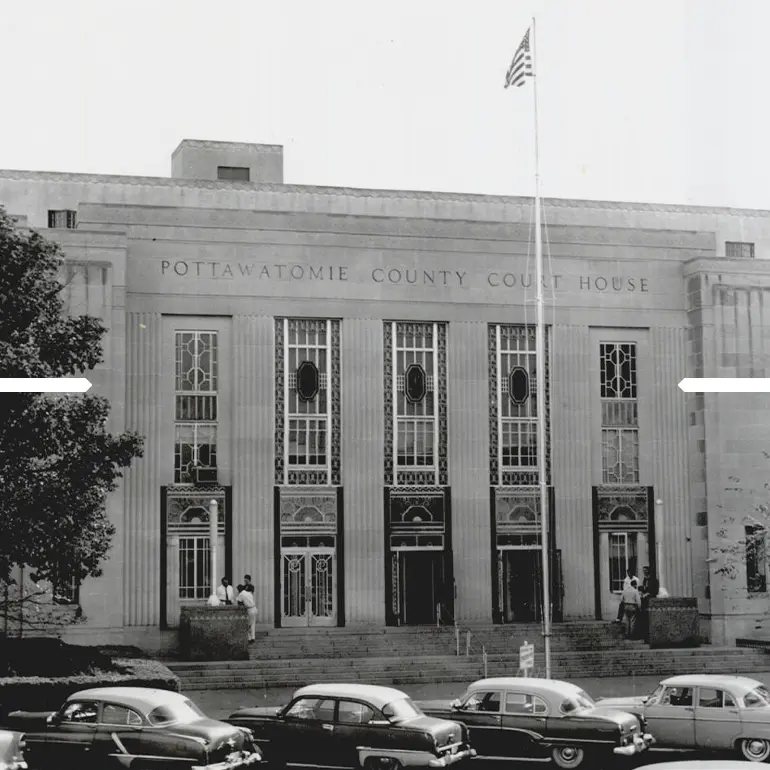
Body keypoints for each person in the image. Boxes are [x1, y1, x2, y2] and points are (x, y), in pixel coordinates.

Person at [640, 566, 660, 641]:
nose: (644, 572)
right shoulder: (645, 580)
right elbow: (644, 588)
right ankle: (645, 637)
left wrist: (648, 593)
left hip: (651, 601)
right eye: (643, 571)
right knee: (645, 620)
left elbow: (655, 591)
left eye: (645, 570)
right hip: (645, 602)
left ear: (648, 571)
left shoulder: (654, 580)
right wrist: (642, 593)